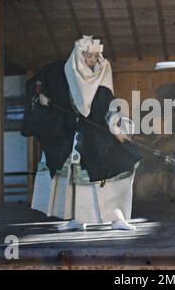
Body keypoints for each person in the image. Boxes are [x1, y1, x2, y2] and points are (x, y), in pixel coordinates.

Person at [22, 35, 142, 231]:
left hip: (98, 132)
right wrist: (43, 97)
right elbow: (38, 86)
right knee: (74, 178)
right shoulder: (62, 72)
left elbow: (108, 104)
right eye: (88, 56)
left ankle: (116, 219)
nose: (93, 60)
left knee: (109, 174)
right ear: (79, 55)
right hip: (70, 132)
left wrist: (116, 129)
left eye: (96, 56)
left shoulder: (102, 71)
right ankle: (77, 219)